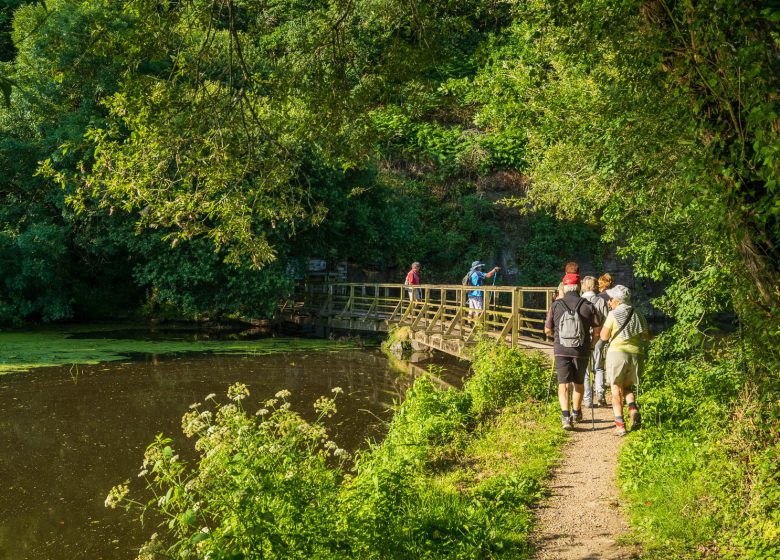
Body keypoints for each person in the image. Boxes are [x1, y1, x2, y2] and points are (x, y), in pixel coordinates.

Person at [544, 273, 601, 430]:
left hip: (561, 349)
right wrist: (591, 345)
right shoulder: (588, 305)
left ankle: (565, 417)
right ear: (579, 287)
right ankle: (576, 413)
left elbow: (547, 330)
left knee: (563, 383)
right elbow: (597, 331)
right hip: (581, 350)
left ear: (565, 287)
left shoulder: (556, 305)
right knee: (578, 382)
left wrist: (556, 338)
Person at [600, 285, 651, 436]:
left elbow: (603, 336)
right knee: (627, 387)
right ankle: (633, 408)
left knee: (616, 389)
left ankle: (620, 425)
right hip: (636, 354)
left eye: (610, 299)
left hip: (617, 354)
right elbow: (648, 336)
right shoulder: (638, 313)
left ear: (617, 300)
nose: (609, 302)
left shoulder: (613, 314)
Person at [580, 276, 609, 408]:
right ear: (595, 286)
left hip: (584, 337)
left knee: (585, 369)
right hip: (598, 337)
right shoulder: (600, 301)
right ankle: (601, 396)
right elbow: (606, 320)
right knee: (598, 367)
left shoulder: (580, 301)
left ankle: (587, 399)